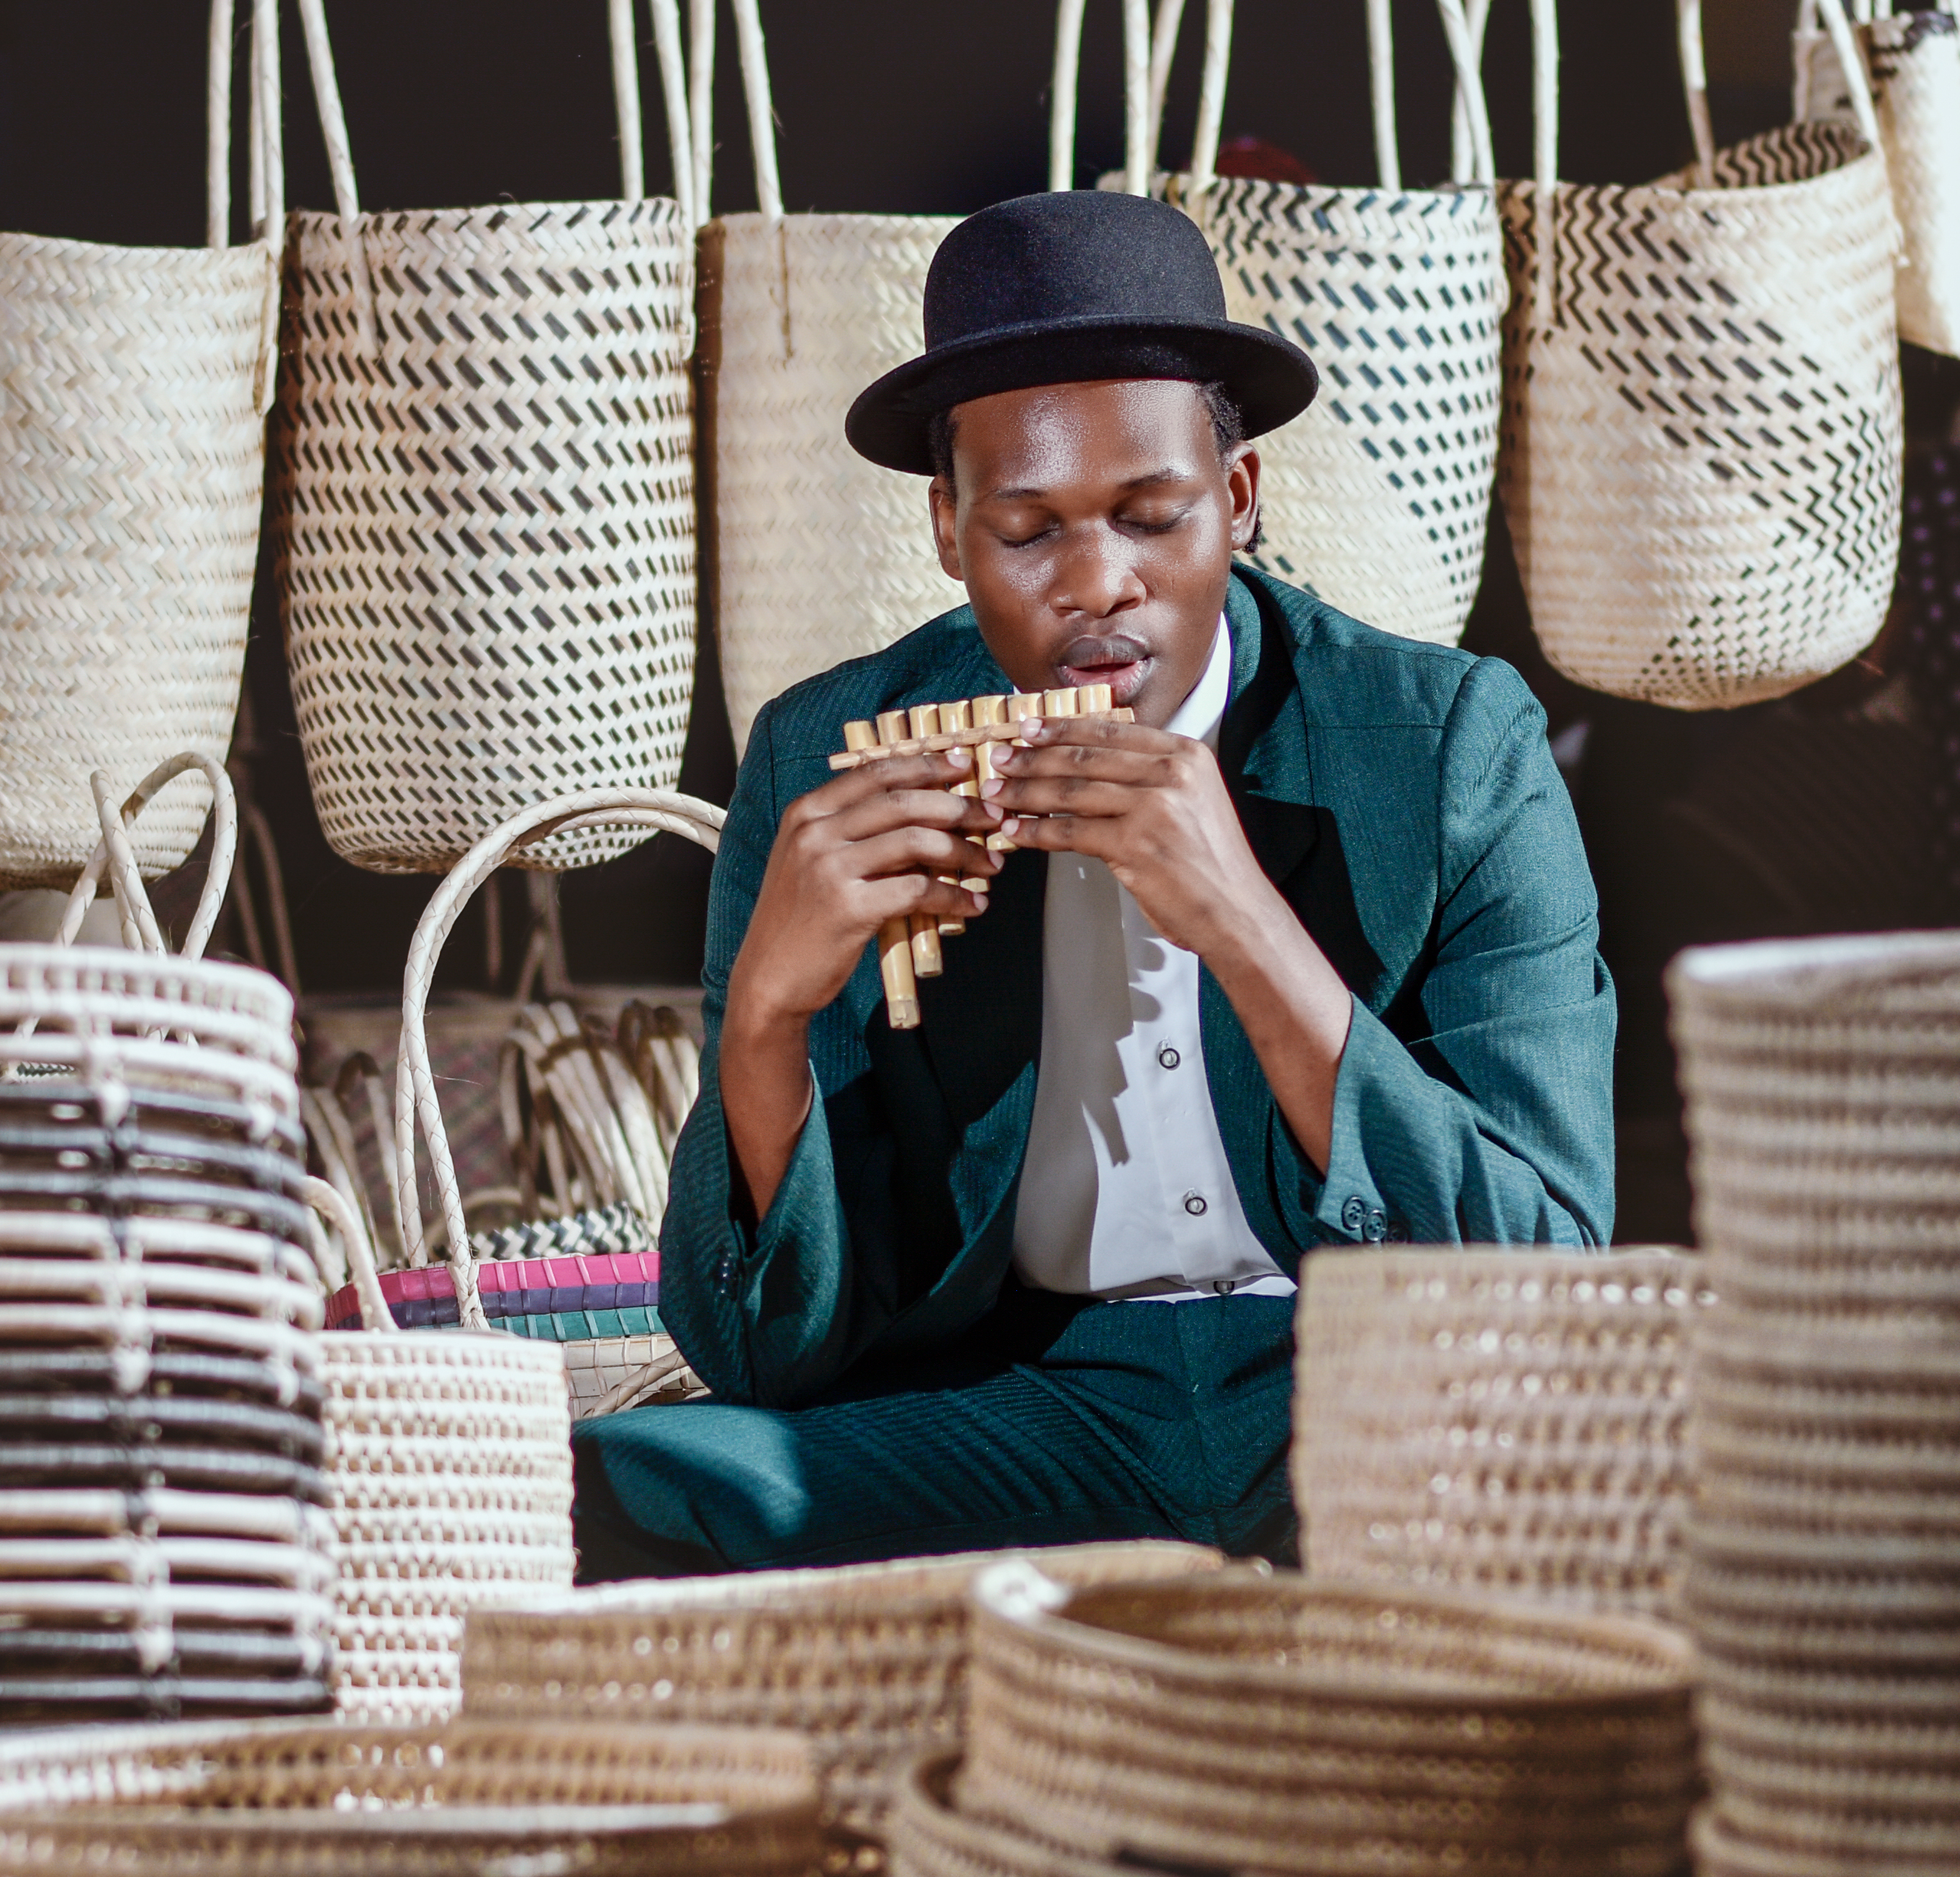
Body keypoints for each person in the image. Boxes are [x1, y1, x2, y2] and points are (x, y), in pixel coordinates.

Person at [573, 188, 1615, 1578]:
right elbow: (766, 1353)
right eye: (1027, 531)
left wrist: (1244, 926)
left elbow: (1546, 1273)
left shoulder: (1442, 749)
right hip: (1035, 1403)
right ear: (947, 531)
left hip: (1374, 1400)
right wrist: (765, 1017)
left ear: (1236, 502)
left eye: (1152, 514)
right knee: (604, 1495)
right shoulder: (824, 759)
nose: (1098, 582)